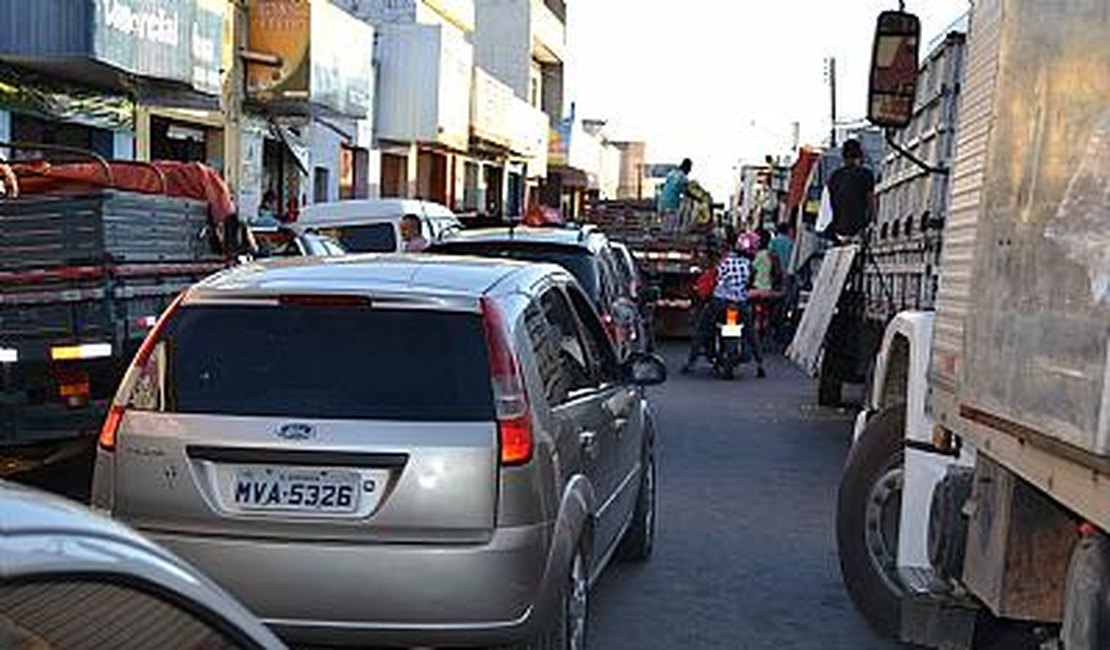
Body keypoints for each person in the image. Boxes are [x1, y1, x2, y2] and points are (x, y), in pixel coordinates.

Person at [682, 233, 766, 378]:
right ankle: (760, 364)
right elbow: (749, 284)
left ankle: (691, 361)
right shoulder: (750, 267)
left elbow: (717, 278)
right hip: (739, 305)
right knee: (751, 332)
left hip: (719, 302)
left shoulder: (725, 262)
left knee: (703, 329)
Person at [817, 139, 875, 239]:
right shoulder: (866, 174)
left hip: (839, 230)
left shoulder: (834, 176)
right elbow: (871, 204)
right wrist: (872, 223)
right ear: (860, 156)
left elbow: (830, 206)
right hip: (859, 230)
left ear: (843, 157)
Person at [659, 158, 692, 232]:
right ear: (686, 167)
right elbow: (686, 191)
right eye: (689, 169)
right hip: (671, 204)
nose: (689, 172)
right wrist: (697, 197)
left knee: (664, 227)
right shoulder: (683, 177)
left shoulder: (671, 173)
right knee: (670, 230)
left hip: (661, 202)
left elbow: (666, 186)